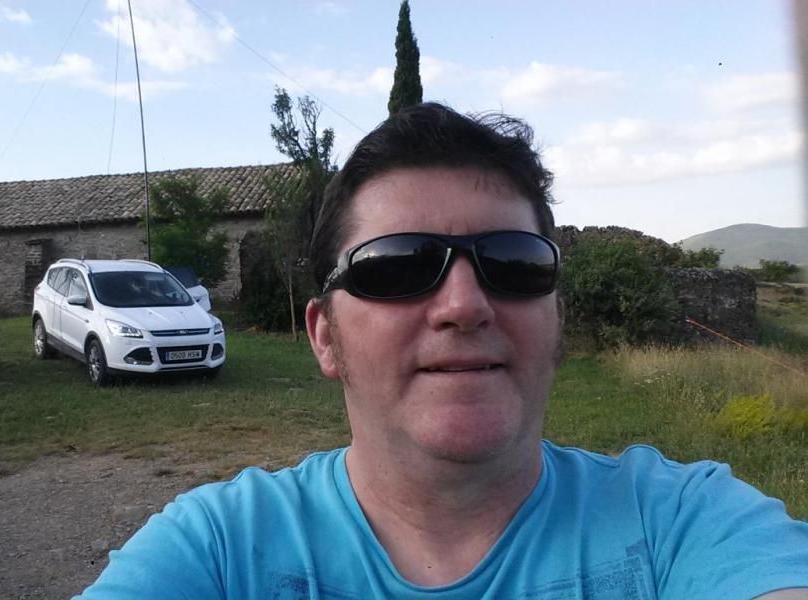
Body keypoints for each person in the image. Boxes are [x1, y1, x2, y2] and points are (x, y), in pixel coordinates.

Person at [76, 103, 808, 599]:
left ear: (556, 316)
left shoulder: (683, 524)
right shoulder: (219, 551)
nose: (464, 305)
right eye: (397, 266)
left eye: (515, 263)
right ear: (325, 335)